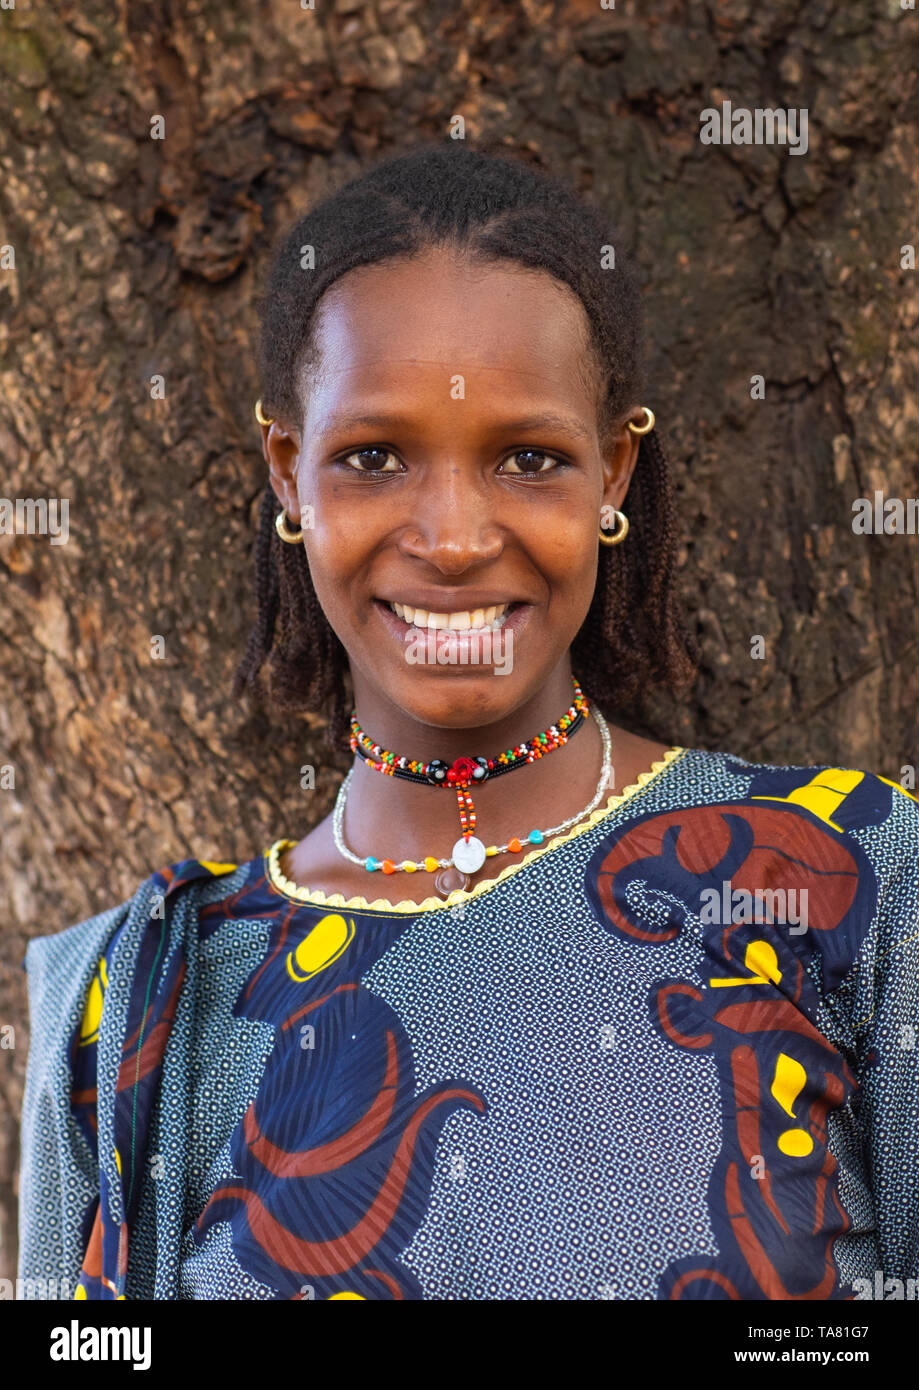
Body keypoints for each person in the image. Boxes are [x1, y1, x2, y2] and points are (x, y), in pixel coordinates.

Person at [18, 143, 919, 1301]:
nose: (450, 537)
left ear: (613, 475)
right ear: (289, 473)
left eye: (529, 458)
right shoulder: (138, 1004)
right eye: (374, 456)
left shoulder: (847, 876)